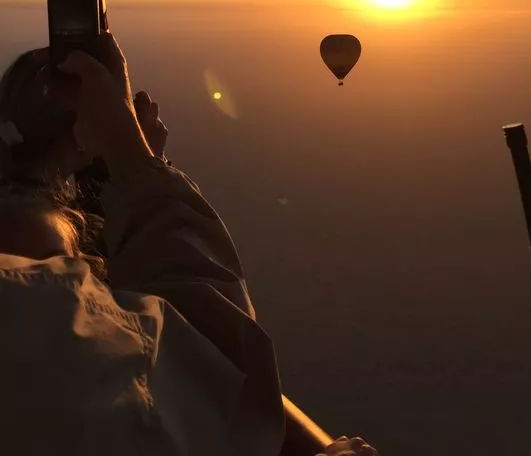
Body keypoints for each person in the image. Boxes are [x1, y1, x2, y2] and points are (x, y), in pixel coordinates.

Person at [0, 35, 379, 456]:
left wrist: (49, 164)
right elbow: (217, 368)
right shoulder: (78, 370)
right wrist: (130, 153)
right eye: (72, 271)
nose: (82, 274)